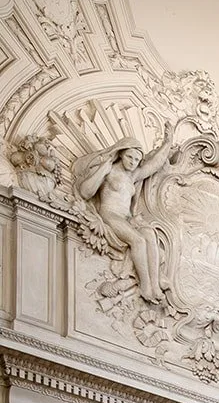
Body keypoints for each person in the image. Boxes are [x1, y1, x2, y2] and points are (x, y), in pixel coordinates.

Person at [73, 127, 177, 304]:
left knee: (150, 234)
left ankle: (155, 284)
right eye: (130, 157)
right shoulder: (109, 171)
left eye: (137, 159)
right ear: (120, 154)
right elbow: (85, 192)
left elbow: (155, 164)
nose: (133, 162)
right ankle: (145, 287)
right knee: (137, 240)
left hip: (126, 218)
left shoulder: (133, 176)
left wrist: (167, 142)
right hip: (110, 214)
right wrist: (102, 170)